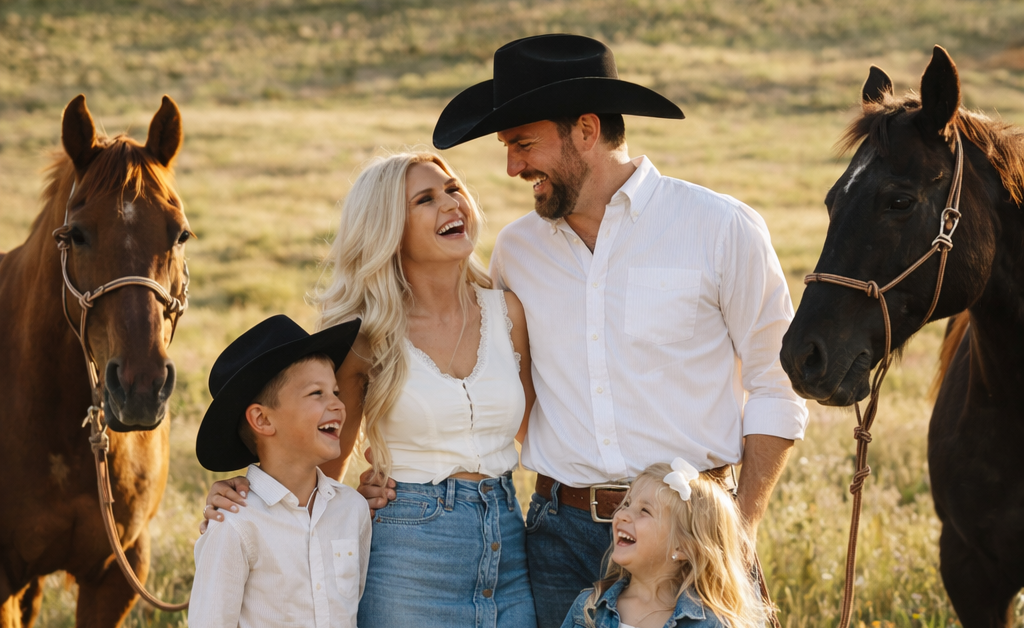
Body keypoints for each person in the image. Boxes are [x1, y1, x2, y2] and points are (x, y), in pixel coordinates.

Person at [360, 33, 803, 627]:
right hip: (555, 539)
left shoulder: (721, 228)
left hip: (690, 535)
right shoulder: (517, 251)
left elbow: (778, 386)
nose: (513, 167)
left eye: (523, 144)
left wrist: (739, 530)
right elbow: (501, 384)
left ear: (587, 132)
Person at [201, 152, 538, 628]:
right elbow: (320, 458)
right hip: (408, 555)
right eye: (426, 199)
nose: (451, 204)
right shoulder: (368, 335)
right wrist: (247, 496)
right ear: (389, 230)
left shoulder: (508, 313)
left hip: (507, 544)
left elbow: (539, 434)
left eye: (453, 190)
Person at [189, 314, 369, 628]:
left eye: (336, 393)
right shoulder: (234, 523)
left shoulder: (352, 510)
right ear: (263, 420)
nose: (339, 405)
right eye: (317, 393)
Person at [561, 459, 765, 628]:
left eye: (645, 511)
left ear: (683, 547)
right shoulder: (588, 609)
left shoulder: (713, 624)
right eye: (627, 503)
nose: (622, 514)